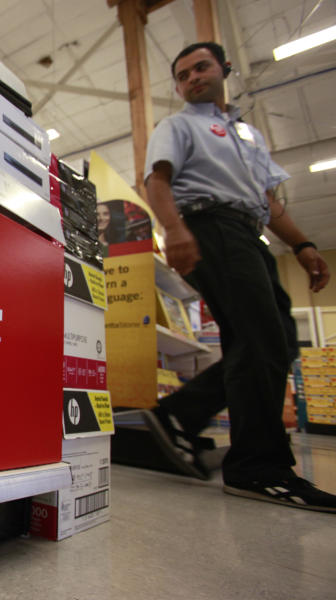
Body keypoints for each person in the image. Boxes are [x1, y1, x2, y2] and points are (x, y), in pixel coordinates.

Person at [142, 41, 335, 512]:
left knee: (278, 341)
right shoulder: (179, 125)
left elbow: (269, 203)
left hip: (249, 235)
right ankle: (257, 466)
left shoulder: (248, 137)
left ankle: (176, 415)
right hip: (211, 227)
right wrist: (174, 229)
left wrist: (303, 245)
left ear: (224, 69)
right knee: (261, 339)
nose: (192, 78)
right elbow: (157, 179)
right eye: (183, 74)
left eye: (200, 67)